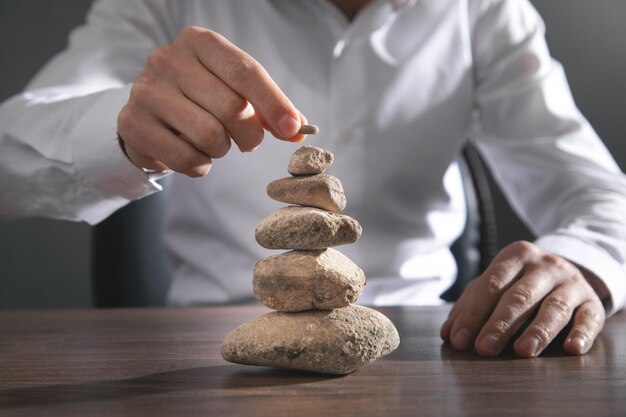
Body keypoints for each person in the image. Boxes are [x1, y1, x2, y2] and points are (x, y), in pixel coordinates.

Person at [0, 0, 624, 359]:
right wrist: (122, 126)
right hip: (205, 347)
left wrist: (587, 260)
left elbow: (597, 189)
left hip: (431, 344)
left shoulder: (483, 9)